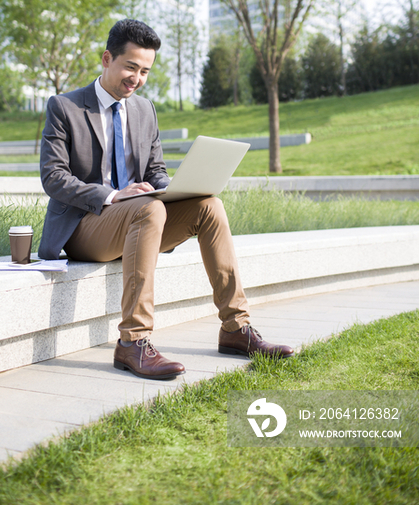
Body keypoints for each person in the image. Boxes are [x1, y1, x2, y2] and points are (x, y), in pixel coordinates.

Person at [38, 19, 294, 380]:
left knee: (209, 206)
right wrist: (114, 194)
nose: (137, 78)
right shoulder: (65, 107)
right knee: (149, 208)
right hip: (85, 226)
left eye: (144, 71)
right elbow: (54, 177)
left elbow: (156, 170)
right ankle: (133, 341)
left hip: (143, 217)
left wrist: (175, 187)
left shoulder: (145, 111)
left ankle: (236, 329)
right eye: (130, 67)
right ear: (106, 59)